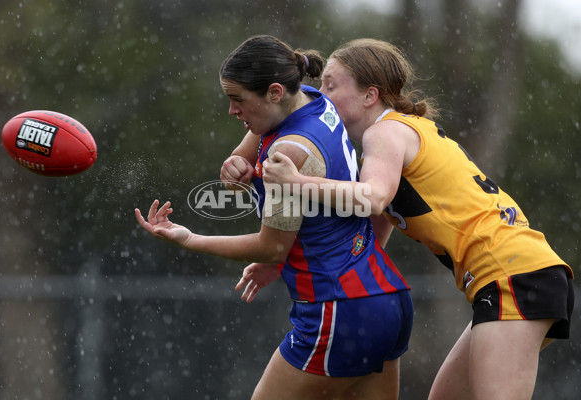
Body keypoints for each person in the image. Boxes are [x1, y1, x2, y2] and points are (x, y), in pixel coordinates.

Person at [227, 38, 575, 400]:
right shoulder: (395, 137)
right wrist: (281, 260)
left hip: (514, 274)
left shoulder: (385, 132)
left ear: (369, 95)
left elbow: (374, 200)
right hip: (518, 275)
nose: (322, 95)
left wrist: (297, 182)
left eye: (331, 85)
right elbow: (367, 237)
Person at [135, 35, 413, 400]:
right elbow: (244, 163)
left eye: (239, 100)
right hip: (386, 296)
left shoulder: (286, 157)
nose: (233, 111)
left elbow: (272, 247)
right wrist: (236, 166)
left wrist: (189, 239)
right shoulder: (316, 101)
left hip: (336, 309)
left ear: (275, 92)